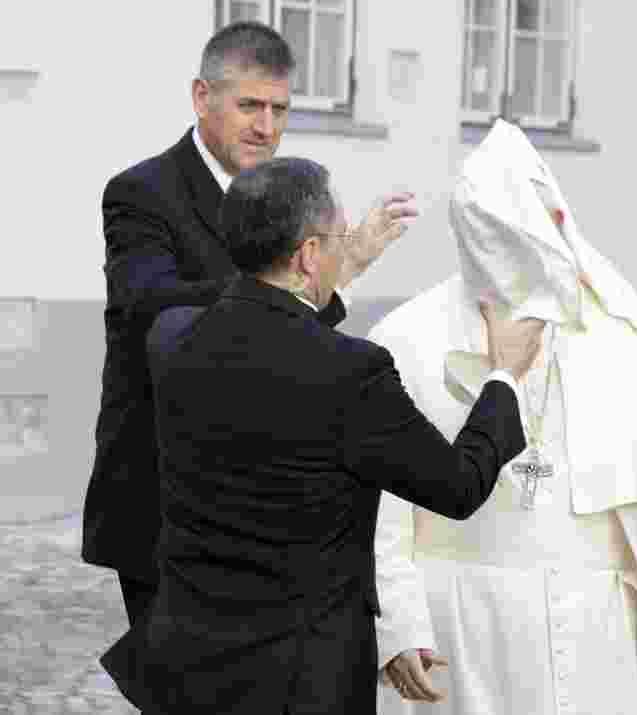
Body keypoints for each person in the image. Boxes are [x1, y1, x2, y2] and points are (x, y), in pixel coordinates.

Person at [99, 157, 542, 714]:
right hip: (298, 680)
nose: (343, 249)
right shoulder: (354, 372)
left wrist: (344, 269)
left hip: (189, 665)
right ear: (308, 253)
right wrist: (505, 379)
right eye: (339, 238)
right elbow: (458, 485)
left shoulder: (173, 337)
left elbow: (271, 341)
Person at [370, 120, 637, 715]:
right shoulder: (404, 340)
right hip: (458, 623)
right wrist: (397, 626)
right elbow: (382, 514)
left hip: (596, 625)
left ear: (557, 222)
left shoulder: (620, 340)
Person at [80, 20, 415, 628]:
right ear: (201, 96)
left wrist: (341, 269)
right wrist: (311, 275)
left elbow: (290, 331)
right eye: (250, 106)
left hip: (261, 507)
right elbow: (152, 307)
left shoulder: (287, 196)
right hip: (163, 501)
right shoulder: (140, 191)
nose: (267, 126)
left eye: (280, 109)